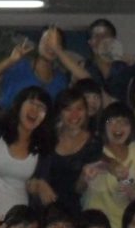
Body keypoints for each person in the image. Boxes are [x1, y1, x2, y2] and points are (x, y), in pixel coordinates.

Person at [0, 86, 53, 221]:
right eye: (31, 103)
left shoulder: (44, 148)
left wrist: (38, 186)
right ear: (19, 105)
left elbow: (40, 188)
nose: (35, 110)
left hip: (19, 223)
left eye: (41, 107)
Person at [0, 26, 89, 110]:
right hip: (8, 125)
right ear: (39, 43)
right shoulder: (19, 66)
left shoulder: (61, 79)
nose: (50, 47)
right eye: (46, 41)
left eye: (55, 44)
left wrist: (58, 50)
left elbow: (87, 80)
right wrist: (11, 60)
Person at [82, 102, 135, 228]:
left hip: (123, 226)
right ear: (103, 125)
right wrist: (86, 177)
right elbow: (78, 188)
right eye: (112, 121)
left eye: (124, 122)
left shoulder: (134, 149)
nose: (118, 127)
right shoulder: (94, 149)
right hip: (95, 227)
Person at [41, 87, 103, 218]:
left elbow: (81, 190)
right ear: (59, 112)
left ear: (86, 111)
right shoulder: (46, 138)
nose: (74, 115)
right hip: (42, 208)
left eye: (79, 109)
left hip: (74, 213)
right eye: (68, 109)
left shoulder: (94, 144)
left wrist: (84, 178)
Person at [84, 17, 135, 102]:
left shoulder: (127, 66)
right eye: (96, 36)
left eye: (105, 36)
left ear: (114, 41)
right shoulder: (85, 67)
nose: (101, 40)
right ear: (90, 42)